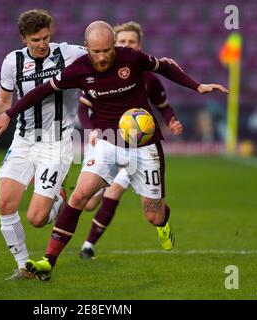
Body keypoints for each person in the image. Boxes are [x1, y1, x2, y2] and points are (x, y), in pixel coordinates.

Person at [0, 21, 228, 281]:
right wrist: (8, 114)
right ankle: (48, 261)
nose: (102, 57)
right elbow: (42, 91)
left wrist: (197, 86)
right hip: (108, 142)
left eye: (107, 50)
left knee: (153, 216)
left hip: (145, 145)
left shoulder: (131, 58)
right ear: (87, 48)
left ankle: (164, 223)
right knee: (79, 197)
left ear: (114, 46)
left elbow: (164, 66)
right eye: (96, 51)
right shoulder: (78, 69)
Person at [0, 9, 87, 280]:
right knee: (5, 203)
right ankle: (24, 266)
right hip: (24, 140)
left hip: (57, 143)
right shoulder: (11, 62)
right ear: (23, 38)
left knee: (37, 219)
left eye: (45, 38)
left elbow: (102, 54)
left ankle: (58, 198)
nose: (41, 44)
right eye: (35, 40)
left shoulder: (69, 53)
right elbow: (5, 100)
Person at [78, 21, 183, 260]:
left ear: (139, 46)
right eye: (121, 42)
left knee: (119, 195)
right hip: (107, 142)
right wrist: (92, 130)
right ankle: (85, 243)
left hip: (138, 147)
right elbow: (83, 111)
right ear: (114, 44)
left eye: (131, 42)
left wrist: (172, 120)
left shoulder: (148, 78)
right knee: (90, 203)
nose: (126, 45)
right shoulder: (98, 73)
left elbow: (163, 106)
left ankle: (88, 245)